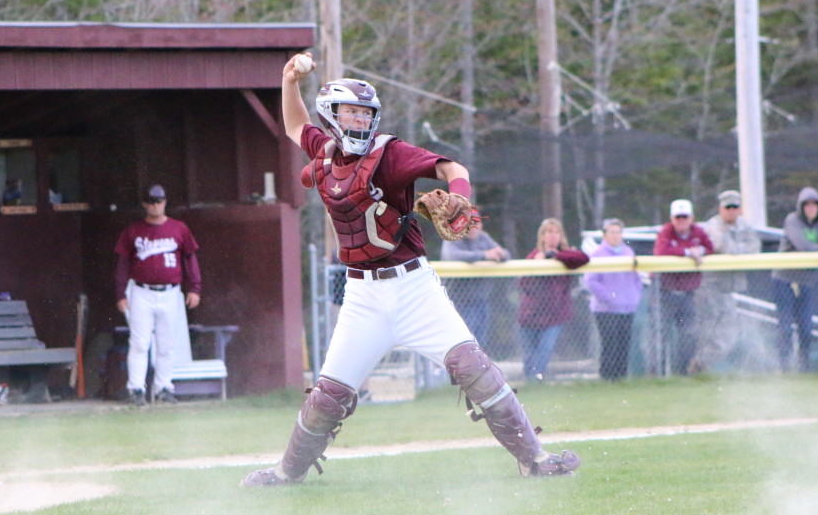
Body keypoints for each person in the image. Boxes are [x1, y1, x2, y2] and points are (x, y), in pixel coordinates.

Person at [241, 55, 580, 487]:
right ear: (331, 115)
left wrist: (460, 194)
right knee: (329, 396)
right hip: (362, 295)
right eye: (351, 112)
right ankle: (287, 472)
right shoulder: (324, 154)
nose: (360, 121)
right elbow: (293, 126)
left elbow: (451, 168)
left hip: (413, 286)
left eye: (366, 113)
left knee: (474, 369)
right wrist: (289, 80)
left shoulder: (390, 153)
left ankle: (535, 458)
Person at [114, 184, 202, 406]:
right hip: (141, 291)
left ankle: (164, 387)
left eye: (160, 201)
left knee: (167, 344)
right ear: (145, 204)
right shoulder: (133, 230)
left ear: (165, 201)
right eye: (152, 201)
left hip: (171, 292)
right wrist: (120, 293)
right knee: (139, 343)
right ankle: (136, 389)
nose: (156, 205)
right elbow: (123, 264)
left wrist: (194, 288)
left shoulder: (179, 229)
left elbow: (190, 259)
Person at [689, 190, 761, 373]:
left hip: (729, 288)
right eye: (727, 207)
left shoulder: (744, 226)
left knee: (728, 332)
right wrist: (738, 248)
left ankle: (700, 367)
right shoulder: (712, 225)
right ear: (721, 208)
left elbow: (754, 247)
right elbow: (723, 246)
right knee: (708, 331)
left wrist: (737, 248)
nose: (731, 211)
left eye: (734, 207)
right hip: (709, 287)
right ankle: (696, 368)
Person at [771, 187, 818, 372]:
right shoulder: (792, 220)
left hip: (806, 282)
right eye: (807, 204)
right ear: (801, 206)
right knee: (785, 327)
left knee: (806, 327)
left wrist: (817, 250)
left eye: (814, 205)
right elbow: (802, 245)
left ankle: (803, 367)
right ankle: (784, 367)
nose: (811, 208)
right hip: (785, 280)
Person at [517, 218, 590, 381]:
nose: (553, 236)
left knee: (545, 350)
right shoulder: (534, 256)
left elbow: (583, 258)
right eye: (549, 232)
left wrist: (556, 255)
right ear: (542, 236)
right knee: (529, 354)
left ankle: (536, 382)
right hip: (530, 315)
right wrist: (537, 264)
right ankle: (530, 385)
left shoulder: (565, 255)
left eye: (556, 232)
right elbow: (522, 283)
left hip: (554, 316)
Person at [652, 199, 714, 375]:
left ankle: (683, 375)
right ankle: (656, 375)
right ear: (672, 218)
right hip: (663, 293)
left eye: (684, 217)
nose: (681, 221)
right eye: (677, 217)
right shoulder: (666, 232)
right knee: (659, 336)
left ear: (691, 218)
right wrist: (689, 252)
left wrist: (700, 251)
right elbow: (661, 251)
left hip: (688, 294)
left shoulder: (698, 232)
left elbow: (710, 248)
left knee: (688, 336)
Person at [440, 208, 510, 347]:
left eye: (476, 222)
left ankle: (475, 369)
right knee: (461, 344)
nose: (472, 226)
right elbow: (452, 256)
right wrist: (484, 255)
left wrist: (500, 254)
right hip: (457, 302)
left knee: (479, 343)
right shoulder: (453, 236)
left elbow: (505, 254)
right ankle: (447, 369)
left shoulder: (483, 237)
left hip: (480, 301)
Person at [584, 218, 642, 381]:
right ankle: (607, 379)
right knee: (610, 344)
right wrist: (610, 298)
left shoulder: (628, 252)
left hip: (626, 308)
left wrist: (634, 296)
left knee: (624, 344)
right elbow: (591, 281)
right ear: (604, 235)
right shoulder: (598, 254)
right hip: (606, 309)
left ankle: (621, 379)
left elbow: (636, 278)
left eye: (618, 232)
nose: (616, 236)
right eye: (612, 232)